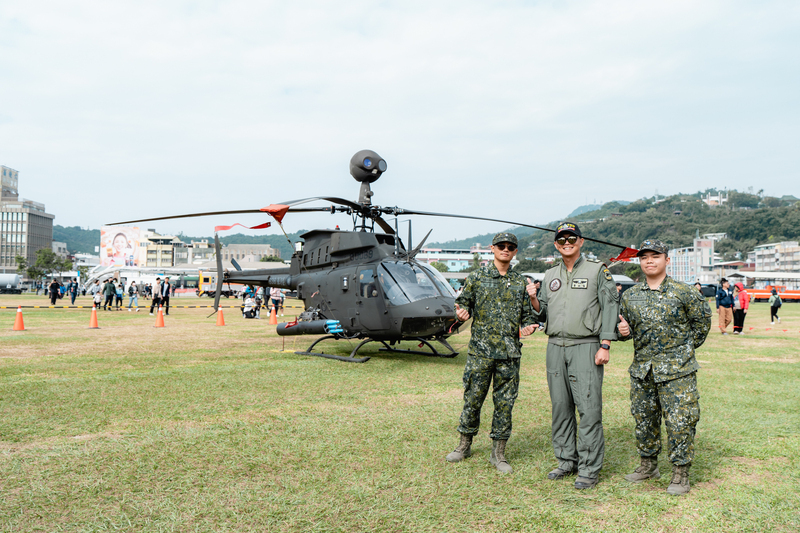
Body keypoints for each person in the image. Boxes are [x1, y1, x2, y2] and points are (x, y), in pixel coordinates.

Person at [617, 239, 711, 495]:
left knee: (680, 422)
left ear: (666, 260)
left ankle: (680, 474)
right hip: (643, 370)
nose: (649, 261)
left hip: (678, 372)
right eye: (644, 257)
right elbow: (625, 329)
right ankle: (648, 466)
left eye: (655, 256)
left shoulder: (684, 292)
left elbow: (701, 323)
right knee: (644, 419)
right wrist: (623, 332)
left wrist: (682, 352)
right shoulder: (631, 296)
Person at [529, 222, 619, 490]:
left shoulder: (597, 270)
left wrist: (605, 343)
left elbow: (610, 305)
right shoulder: (550, 274)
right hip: (555, 346)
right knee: (560, 407)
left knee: (588, 409)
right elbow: (542, 311)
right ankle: (566, 461)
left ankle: (589, 468)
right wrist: (533, 298)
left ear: (581, 241)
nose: (566, 243)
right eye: (561, 240)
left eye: (571, 238)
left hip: (586, 345)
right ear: (556, 245)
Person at [445, 232, 537, 474]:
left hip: (509, 354)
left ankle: (498, 453)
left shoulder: (520, 282)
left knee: (505, 403)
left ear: (515, 251)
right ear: (492, 248)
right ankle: (464, 445)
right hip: (481, 353)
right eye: (501, 246)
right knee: (473, 398)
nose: (506, 249)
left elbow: (528, 315)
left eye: (510, 247)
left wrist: (529, 326)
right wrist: (460, 313)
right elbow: (462, 304)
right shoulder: (477, 277)